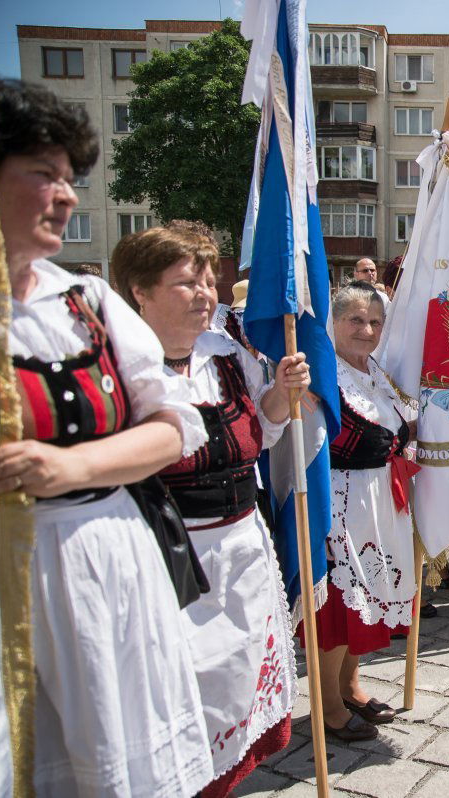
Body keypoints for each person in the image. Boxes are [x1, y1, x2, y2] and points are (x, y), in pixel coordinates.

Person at [0, 76, 214, 795]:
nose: (67, 197)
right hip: (2, 574)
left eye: (70, 178)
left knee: (119, 753)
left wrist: (69, 467)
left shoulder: (84, 303)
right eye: (44, 175)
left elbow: (176, 426)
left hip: (107, 560)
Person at [113, 222, 304, 796]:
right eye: (185, 282)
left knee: (232, 694)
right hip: (168, 567)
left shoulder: (227, 357)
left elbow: (259, 437)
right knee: (172, 709)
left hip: (243, 553)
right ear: (140, 292)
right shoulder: (119, 370)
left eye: (207, 280)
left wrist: (280, 395)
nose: (204, 294)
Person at [310, 281, 418, 741]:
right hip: (340, 502)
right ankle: (327, 705)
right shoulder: (322, 376)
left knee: (371, 596)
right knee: (342, 602)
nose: (367, 329)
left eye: (375, 321)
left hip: (380, 500)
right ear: (332, 323)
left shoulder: (376, 370)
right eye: (355, 320)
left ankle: (350, 685)